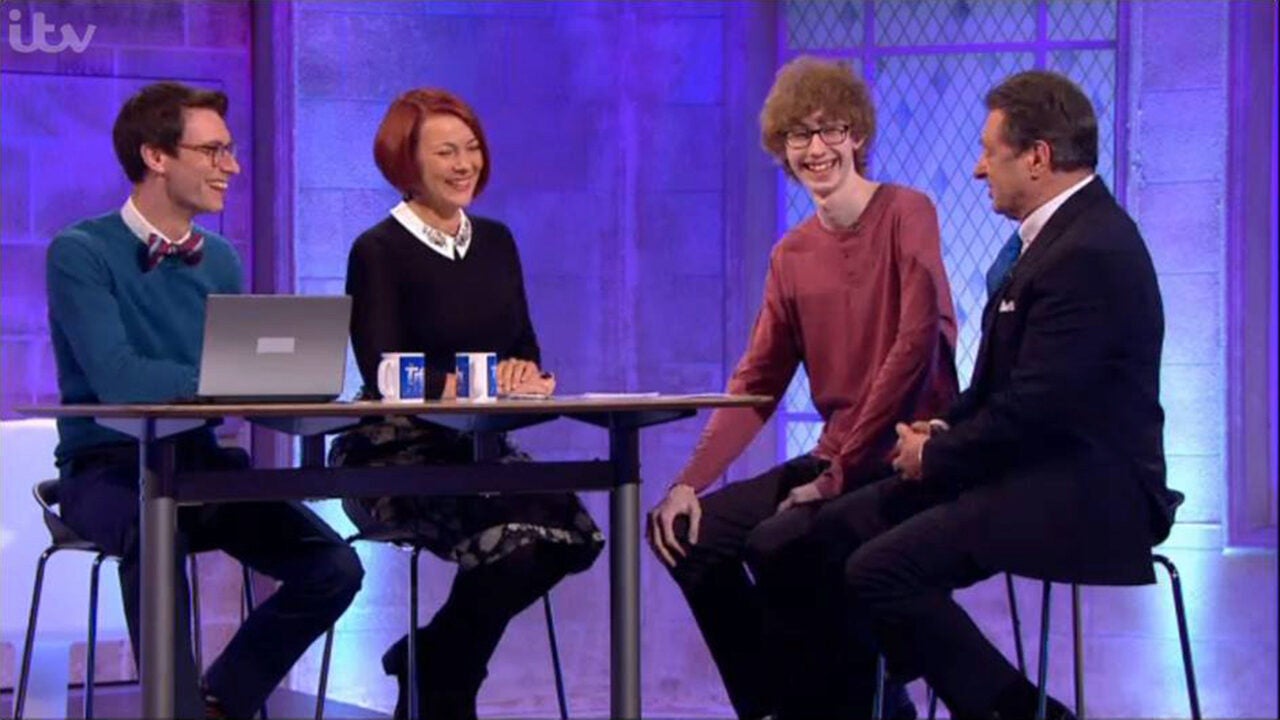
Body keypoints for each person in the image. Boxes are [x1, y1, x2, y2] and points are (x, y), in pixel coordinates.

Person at [813, 70, 1177, 720]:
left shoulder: (1091, 250)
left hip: (1092, 492)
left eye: (989, 151)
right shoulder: (1050, 244)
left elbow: (1041, 409)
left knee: (880, 570)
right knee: (835, 530)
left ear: (1036, 157)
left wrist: (940, 460)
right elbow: (999, 392)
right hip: (1030, 467)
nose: (978, 170)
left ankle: (1021, 711)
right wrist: (940, 433)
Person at [646, 56, 959, 720]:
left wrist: (841, 469)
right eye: (799, 135)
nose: (815, 148)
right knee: (683, 534)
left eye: (830, 129)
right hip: (835, 455)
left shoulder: (908, 212)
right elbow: (759, 382)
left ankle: (867, 697)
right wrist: (688, 482)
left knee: (780, 543)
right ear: (781, 149)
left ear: (857, 136)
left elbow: (916, 346)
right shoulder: (791, 254)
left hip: (905, 455)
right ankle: (781, 705)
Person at [45, 81, 364, 719]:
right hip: (106, 469)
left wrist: (278, 384)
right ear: (157, 157)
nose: (233, 167)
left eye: (231, 150)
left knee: (335, 567)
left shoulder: (218, 257)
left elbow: (219, 376)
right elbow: (119, 378)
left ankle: (220, 701)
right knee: (152, 529)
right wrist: (222, 379)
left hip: (198, 460)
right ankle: (174, 711)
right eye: (214, 151)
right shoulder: (79, 252)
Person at [330, 87, 603, 720]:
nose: (464, 164)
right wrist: (463, 384)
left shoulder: (499, 241)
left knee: (570, 534)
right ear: (407, 163)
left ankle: (433, 659)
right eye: (445, 151)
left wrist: (524, 376)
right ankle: (446, 685)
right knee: (517, 539)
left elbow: (525, 350)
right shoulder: (378, 249)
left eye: (471, 148)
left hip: (480, 444)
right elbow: (383, 369)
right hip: (396, 454)